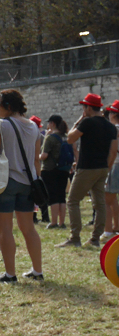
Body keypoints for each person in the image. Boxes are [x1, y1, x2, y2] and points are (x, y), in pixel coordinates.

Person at [0, 89, 44, 281]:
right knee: (29, 229)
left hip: (5, 182)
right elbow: (36, 159)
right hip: (28, 182)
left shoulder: (0, 124)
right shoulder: (34, 126)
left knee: (5, 230)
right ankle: (37, 270)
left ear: (8, 107)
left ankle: (10, 274)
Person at [59, 93, 118, 248]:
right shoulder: (110, 127)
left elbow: (70, 138)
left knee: (72, 201)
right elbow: (113, 151)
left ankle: (75, 237)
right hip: (103, 168)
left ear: (88, 108)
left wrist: (80, 120)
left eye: (84, 107)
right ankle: (95, 239)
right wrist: (107, 167)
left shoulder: (87, 123)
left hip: (86, 168)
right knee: (100, 205)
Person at [39, 116, 70, 230]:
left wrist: (37, 156)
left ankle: (53, 222)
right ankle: (62, 222)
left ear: (52, 123)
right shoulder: (65, 137)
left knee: (53, 196)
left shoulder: (50, 138)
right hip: (64, 169)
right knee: (61, 196)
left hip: (50, 169)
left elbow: (44, 155)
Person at [105, 102, 119, 239]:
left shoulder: (114, 129)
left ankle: (108, 231)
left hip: (114, 165)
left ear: (114, 114)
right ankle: (116, 226)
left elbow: (112, 151)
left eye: (110, 112)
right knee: (113, 198)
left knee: (106, 199)